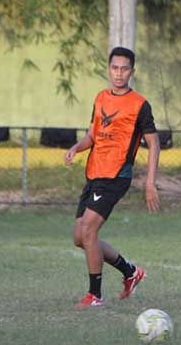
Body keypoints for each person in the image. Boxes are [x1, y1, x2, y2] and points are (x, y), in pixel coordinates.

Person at [65, 46, 160, 308]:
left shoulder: (140, 104)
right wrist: (76, 147)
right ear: (109, 69)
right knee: (79, 237)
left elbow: (154, 143)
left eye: (125, 68)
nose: (119, 73)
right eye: (115, 68)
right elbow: (93, 135)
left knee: (89, 230)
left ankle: (95, 295)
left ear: (132, 71)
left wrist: (150, 183)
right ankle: (130, 271)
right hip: (94, 173)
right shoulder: (100, 98)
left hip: (116, 175)